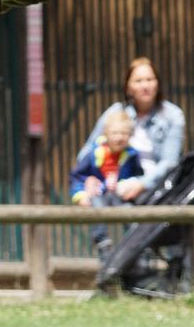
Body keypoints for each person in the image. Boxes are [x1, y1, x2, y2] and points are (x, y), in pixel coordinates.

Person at [76, 57, 186, 281]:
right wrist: (90, 179)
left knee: (136, 206)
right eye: (138, 80)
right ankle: (107, 256)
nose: (145, 85)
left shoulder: (173, 115)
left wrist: (141, 184)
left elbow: (170, 162)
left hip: (155, 188)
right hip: (115, 184)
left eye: (150, 79)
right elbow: (87, 151)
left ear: (157, 83)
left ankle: (140, 266)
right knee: (95, 199)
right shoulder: (115, 113)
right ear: (128, 86)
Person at [69, 110, 143, 264]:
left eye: (124, 133)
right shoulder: (94, 154)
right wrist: (80, 195)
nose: (119, 137)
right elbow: (77, 176)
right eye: (115, 133)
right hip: (99, 194)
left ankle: (136, 245)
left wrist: (132, 186)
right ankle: (103, 244)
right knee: (97, 210)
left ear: (130, 135)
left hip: (120, 196)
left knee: (131, 213)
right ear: (106, 134)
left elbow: (139, 176)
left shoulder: (132, 155)